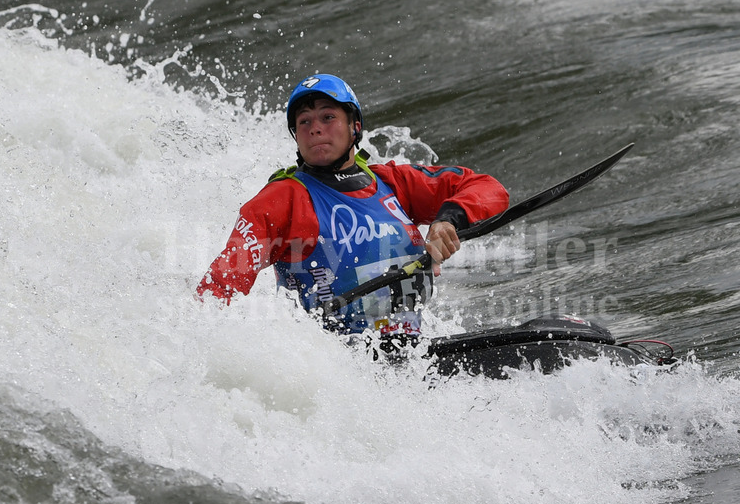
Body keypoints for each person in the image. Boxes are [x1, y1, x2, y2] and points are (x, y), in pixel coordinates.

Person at [197, 73, 509, 345]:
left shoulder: (392, 182)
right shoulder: (283, 199)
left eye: (327, 117)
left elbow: (488, 188)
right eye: (304, 122)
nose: (315, 129)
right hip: (341, 372)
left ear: (355, 127)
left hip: (416, 352)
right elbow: (219, 288)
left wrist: (449, 220)